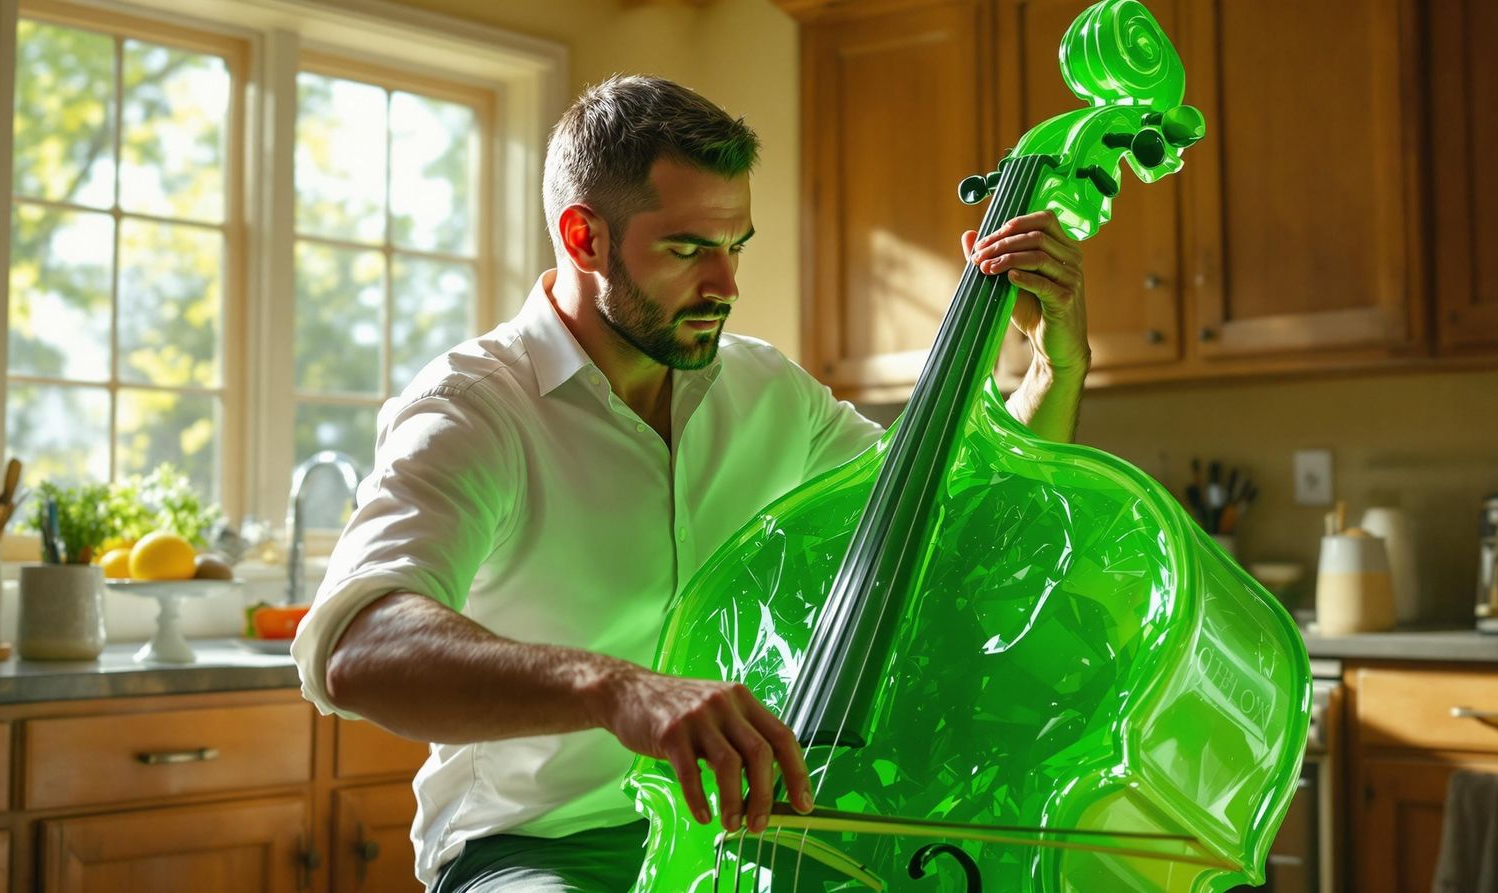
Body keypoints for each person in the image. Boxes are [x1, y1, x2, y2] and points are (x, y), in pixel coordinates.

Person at [290, 74, 1091, 892]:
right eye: (686, 250)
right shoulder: (473, 408)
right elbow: (360, 644)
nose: (725, 285)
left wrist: (1050, 374)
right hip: (543, 847)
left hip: (753, 838)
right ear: (584, 237)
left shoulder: (770, 392)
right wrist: (617, 689)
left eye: (735, 246)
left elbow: (955, 516)